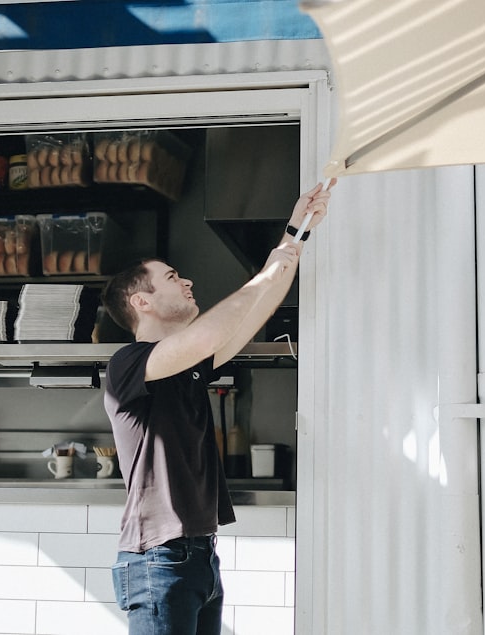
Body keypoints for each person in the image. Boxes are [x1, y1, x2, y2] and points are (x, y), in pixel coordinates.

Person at [100, 179, 335, 635]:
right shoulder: (128, 365)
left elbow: (252, 313)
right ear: (141, 301)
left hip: (198, 557)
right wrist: (265, 271)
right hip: (158, 559)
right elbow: (210, 333)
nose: (187, 280)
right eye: (171, 277)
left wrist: (296, 234)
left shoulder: (186, 365)